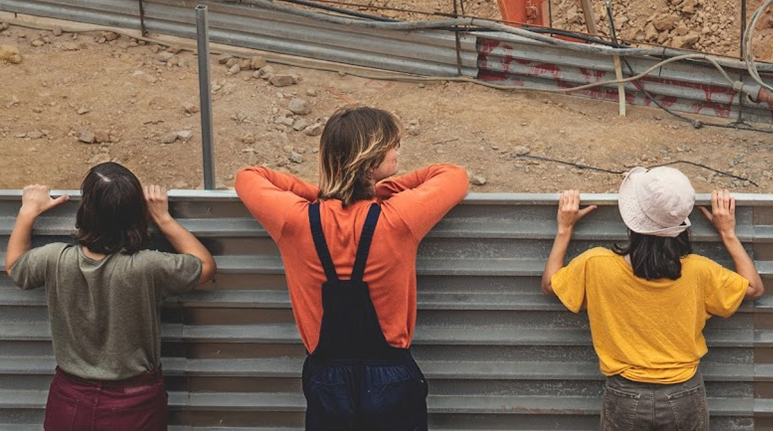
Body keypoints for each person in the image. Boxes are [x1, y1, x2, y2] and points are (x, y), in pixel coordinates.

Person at [235, 105, 468, 431]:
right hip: (392, 377)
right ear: (370, 161)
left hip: (326, 380)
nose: (398, 149)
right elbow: (454, 175)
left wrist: (322, 196)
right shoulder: (398, 217)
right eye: (392, 143)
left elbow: (248, 177)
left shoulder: (296, 220)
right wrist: (380, 192)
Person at [541, 166, 764, 431]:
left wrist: (565, 229)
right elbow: (753, 288)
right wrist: (727, 233)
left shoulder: (596, 264)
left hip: (624, 396)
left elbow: (550, 285)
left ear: (630, 219)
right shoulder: (698, 271)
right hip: (685, 395)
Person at [6, 162, 216, 431]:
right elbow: (206, 266)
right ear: (137, 214)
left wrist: (27, 212)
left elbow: (15, 266)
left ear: (84, 211)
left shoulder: (54, 259)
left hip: (69, 402)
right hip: (136, 405)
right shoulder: (148, 266)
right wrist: (164, 219)